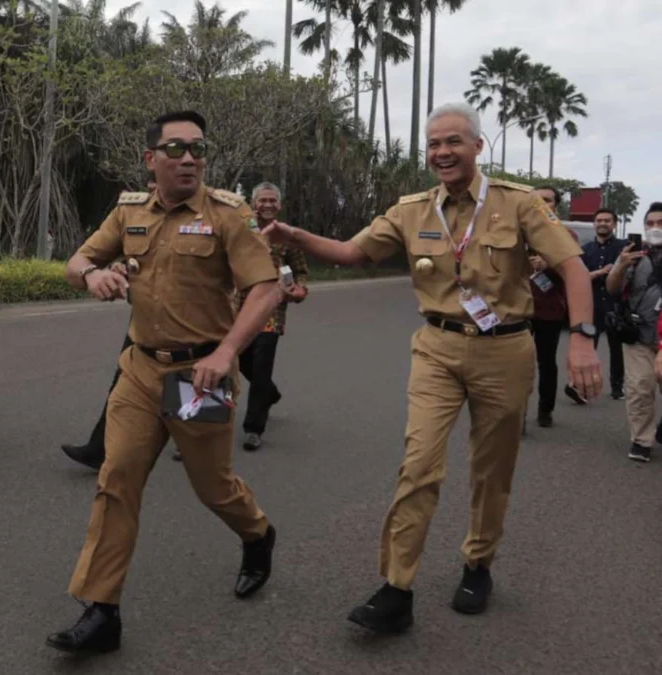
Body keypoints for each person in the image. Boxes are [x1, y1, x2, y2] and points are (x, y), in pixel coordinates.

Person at [263, 101, 601, 634]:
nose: (441, 153)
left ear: (477, 147)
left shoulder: (518, 204)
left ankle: (478, 564)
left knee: (492, 471)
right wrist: (295, 236)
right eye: (433, 145)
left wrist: (581, 341)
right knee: (418, 464)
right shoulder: (412, 209)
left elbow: (573, 269)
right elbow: (352, 253)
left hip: (504, 350)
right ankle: (396, 587)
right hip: (437, 348)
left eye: (453, 142)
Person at [46, 110, 284, 654]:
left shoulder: (229, 214)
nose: (190, 158)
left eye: (198, 148)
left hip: (199, 376)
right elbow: (78, 257)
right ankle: (101, 609)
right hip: (139, 368)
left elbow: (265, 288)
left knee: (212, 486)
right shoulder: (129, 211)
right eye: (176, 149)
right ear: (151, 159)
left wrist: (227, 352)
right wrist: (91, 274)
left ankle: (256, 533)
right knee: (117, 478)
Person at [59, 178, 157, 471]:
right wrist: (102, 273)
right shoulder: (133, 214)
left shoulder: (216, 216)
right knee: (122, 384)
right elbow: (80, 262)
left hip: (198, 333)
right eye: (152, 185)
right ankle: (99, 449)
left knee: (211, 471)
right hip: (145, 322)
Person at [236, 182, 309, 450]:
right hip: (237, 308)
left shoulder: (287, 236)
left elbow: (300, 271)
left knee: (262, 364)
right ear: (254, 203)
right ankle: (269, 392)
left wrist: (299, 289)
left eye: (272, 201)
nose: (267, 205)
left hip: (271, 310)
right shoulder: (240, 230)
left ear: (279, 205)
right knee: (240, 361)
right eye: (262, 200)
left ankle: (253, 428)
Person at [605, 202, 662, 463]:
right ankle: (641, 439)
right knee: (639, 387)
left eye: (660, 224)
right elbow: (613, 289)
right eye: (650, 224)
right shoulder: (633, 255)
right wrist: (621, 266)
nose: (654, 229)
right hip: (638, 334)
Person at [527, 185, 581, 428]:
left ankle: (545, 410)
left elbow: (574, 273)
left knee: (546, 362)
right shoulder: (515, 232)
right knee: (516, 363)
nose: (542, 204)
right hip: (518, 309)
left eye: (547, 200)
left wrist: (549, 265)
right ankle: (516, 416)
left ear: (555, 206)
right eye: (536, 199)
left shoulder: (566, 235)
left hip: (549, 309)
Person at [581, 208, 628, 400]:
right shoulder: (585, 250)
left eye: (607, 220)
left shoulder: (624, 247)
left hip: (615, 306)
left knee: (617, 351)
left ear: (614, 224)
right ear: (594, 224)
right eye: (599, 220)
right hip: (591, 306)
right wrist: (601, 272)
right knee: (587, 349)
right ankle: (583, 387)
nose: (602, 223)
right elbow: (580, 278)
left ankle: (617, 387)